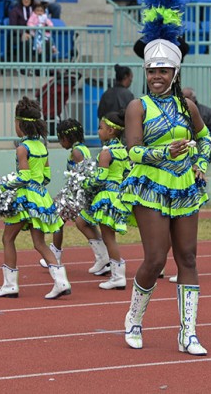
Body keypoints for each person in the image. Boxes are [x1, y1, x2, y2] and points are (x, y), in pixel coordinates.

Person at [120, 0, 210, 356]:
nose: (157, 76)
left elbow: (205, 138)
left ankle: (188, 333)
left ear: (175, 72)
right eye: (152, 70)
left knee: (187, 257)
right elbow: (133, 152)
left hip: (185, 186)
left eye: (163, 70)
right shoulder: (137, 107)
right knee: (156, 258)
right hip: (150, 186)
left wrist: (200, 163)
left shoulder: (188, 107)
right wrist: (164, 153)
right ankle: (134, 318)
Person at [0, 96, 70, 300]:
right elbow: (47, 177)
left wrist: (2, 186)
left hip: (25, 198)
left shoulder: (22, 148)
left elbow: (24, 177)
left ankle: (10, 286)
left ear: (20, 124)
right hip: (41, 198)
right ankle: (61, 281)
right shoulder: (42, 147)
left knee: (8, 238)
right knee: (39, 243)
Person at [38, 118, 112, 276]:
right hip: (78, 192)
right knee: (84, 224)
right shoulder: (82, 148)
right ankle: (103, 257)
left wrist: (69, 195)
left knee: (58, 220)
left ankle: (55, 256)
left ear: (67, 137)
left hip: (78, 194)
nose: (60, 142)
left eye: (60, 138)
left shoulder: (77, 152)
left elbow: (82, 175)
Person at [78, 110, 132, 290]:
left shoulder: (106, 153)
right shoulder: (123, 151)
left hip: (107, 197)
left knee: (109, 238)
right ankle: (109, 266)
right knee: (86, 223)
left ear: (110, 130)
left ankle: (118, 276)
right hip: (117, 196)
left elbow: (100, 178)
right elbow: (127, 173)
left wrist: (85, 183)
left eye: (100, 128)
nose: (98, 131)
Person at [8, 0, 35, 64]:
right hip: (17, 35)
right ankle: (23, 66)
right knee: (27, 41)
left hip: (33, 34)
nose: (26, 0)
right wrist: (22, 33)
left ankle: (42, 67)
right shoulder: (15, 11)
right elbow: (13, 26)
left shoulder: (35, 10)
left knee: (46, 40)